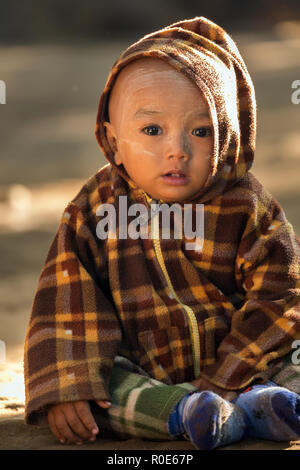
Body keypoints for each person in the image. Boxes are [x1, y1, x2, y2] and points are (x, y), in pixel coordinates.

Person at [23, 16, 300, 449]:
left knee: (294, 350)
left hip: (246, 364)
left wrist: (228, 375)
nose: (178, 149)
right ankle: (186, 414)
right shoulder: (95, 209)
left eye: (201, 130)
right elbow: (67, 299)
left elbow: (282, 295)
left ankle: (266, 405)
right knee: (100, 388)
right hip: (145, 370)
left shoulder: (246, 205)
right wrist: (69, 383)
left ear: (229, 135)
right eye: (152, 130)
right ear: (113, 142)